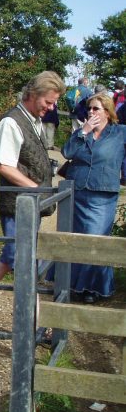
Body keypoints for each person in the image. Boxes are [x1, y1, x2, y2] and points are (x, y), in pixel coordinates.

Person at [0, 71, 65, 329]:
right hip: (17, 205)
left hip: (30, 204)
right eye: (48, 102)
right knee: (25, 260)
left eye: (54, 104)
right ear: (32, 94)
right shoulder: (11, 122)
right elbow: (4, 166)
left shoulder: (34, 121)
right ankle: (38, 323)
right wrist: (37, 188)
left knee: (12, 256)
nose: (51, 108)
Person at [59, 92, 126, 302]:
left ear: (107, 112)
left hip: (102, 194)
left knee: (95, 239)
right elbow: (67, 153)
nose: (91, 112)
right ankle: (72, 285)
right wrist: (84, 131)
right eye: (89, 109)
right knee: (75, 238)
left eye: (95, 108)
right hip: (76, 192)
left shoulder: (120, 133)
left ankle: (92, 288)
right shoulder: (82, 132)